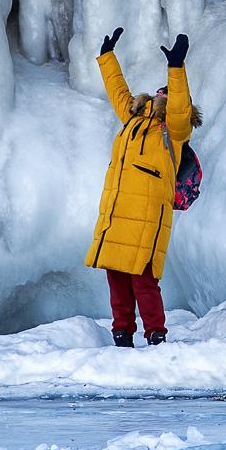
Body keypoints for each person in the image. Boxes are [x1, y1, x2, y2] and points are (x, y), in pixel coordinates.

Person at [84, 28, 197, 347]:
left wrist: (176, 69)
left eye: (169, 95)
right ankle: (121, 333)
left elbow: (179, 111)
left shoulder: (174, 133)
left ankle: (156, 335)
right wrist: (107, 58)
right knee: (116, 276)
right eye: (162, 93)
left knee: (143, 280)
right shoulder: (133, 119)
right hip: (118, 212)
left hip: (148, 215)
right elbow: (118, 93)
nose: (164, 97)